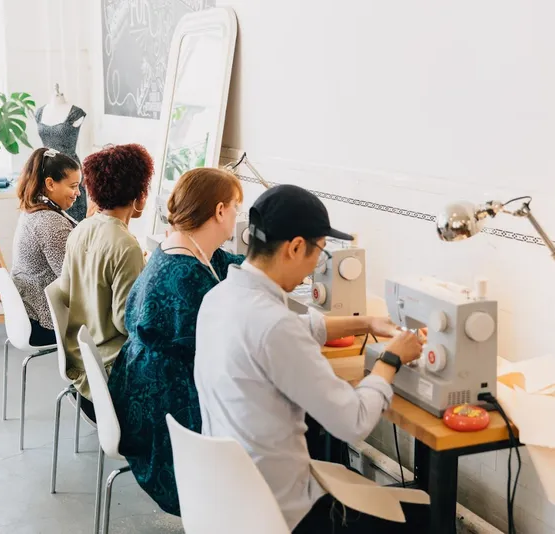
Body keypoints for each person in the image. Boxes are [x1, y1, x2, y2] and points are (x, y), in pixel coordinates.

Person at [194, 184, 428, 533]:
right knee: (423, 516)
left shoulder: (219, 299)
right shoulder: (275, 326)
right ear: (296, 247)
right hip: (282, 515)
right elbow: (355, 421)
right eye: (319, 251)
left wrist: (365, 322)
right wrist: (391, 359)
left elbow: (298, 328)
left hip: (228, 501)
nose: (316, 265)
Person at [108, 167, 244, 515]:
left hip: (139, 395)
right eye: (236, 208)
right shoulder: (188, 277)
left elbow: (228, 262)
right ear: (219, 211)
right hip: (167, 418)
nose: (237, 217)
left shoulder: (175, 248)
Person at [58, 143, 153, 422]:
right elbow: (128, 323)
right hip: (110, 376)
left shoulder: (81, 229)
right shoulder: (126, 246)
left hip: (81, 368)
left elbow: (65, 291)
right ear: (139, 195)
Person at [12, 148, 82, 346]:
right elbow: (73, 281)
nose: (78, 193)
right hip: (43, 322)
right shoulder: (49, 222)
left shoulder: (35, 209)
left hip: (27, 314)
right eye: (73, 186)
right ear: (50, 183)